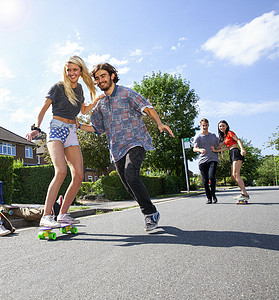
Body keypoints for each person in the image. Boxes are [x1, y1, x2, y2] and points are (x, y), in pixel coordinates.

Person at [77, 62, 174, 231]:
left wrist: (159, 123)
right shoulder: (100, 105)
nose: (100, 80)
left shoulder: (126, 93)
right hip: (116, 149)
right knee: (129, 186)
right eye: (97, 78)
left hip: (135, 141)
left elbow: (147, 107)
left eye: (103, 76)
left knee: (131, 175)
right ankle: (153, 211)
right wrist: (78, 125)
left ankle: (149, 214)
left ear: (112, 76)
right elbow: (97, 128)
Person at [25, 55, 102, 227]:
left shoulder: (80, 89)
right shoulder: (58, 87)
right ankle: (46, 215)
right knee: (61, 171)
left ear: (81, 71)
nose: (71, 73)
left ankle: (63, 214)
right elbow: (43, 109)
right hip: (56, 129)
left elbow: (83, 110)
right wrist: (36, 127)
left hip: (72, 132)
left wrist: (97, 100)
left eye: (75, 69)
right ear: (65, 71)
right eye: (69, 70)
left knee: (79, 175)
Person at [211, 120, 249, 203]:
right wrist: (216, 150)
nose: (222, 127)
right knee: (233, 176)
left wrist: (242, 149)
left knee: (236, 174)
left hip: (235, 152)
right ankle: (243, 192)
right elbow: (227, 147)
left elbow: (238, 140)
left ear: (227, 126)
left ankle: (244, 193)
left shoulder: (230, 133)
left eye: (223, 126)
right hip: (231, 153)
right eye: (220, 126)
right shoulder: (224, 137)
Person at [193, 118, 219, 204]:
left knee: (212, 177)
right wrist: (200, 150)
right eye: (203, 125)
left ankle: (213, 195)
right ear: (201, 126)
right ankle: (209, 198)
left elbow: (219, 145)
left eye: (206, 125)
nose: (205, 127)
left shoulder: (213, 136)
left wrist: (215, 149)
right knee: (205, 181)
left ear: (208, 125)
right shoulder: (198, 137)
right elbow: (194, 149)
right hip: (202, 161)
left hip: (213, 159)